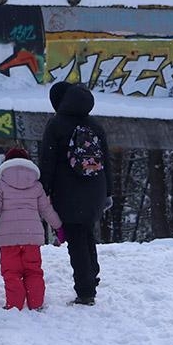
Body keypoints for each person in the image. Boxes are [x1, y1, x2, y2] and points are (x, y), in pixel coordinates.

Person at [39, 81, 111, 305]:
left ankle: (85, 290)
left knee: (76, 239)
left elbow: (48, 160)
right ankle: (91, 277)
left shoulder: (56, 125)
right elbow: (107, 160)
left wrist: (43, 190)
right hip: (96, 189)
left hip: (68, 191)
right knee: (87, 232)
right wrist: (108, 191)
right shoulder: (95, 125)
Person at [0, 146, 65, 311]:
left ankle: (14, 305)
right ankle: (36, 303)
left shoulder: (1, 184)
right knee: (33, 271)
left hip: (9, 238)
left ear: (7, 163)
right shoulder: (36, 185)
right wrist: (59, 227)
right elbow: (46, 210)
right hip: (31, 238)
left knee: (11, 272)